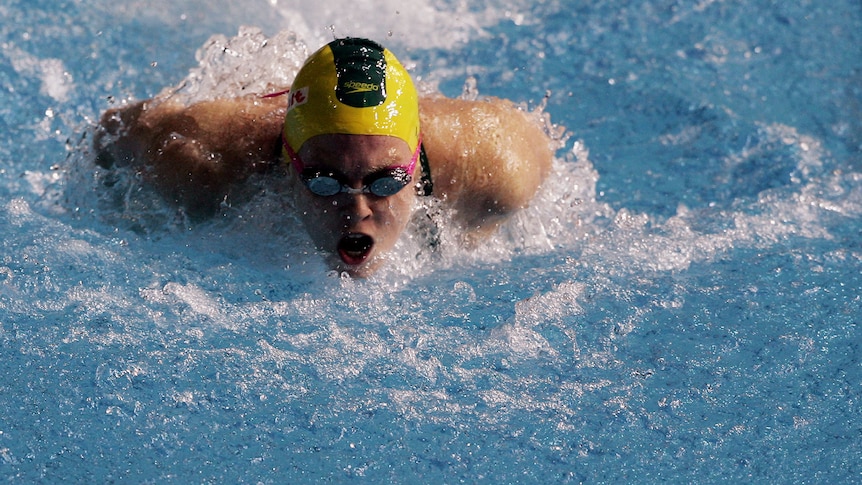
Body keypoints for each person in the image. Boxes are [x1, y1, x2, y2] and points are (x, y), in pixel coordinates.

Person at [95, 37, 555, 277]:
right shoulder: (200, 161)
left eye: (386, 181)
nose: (356, 211)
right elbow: (109, 135)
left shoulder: (497, 168)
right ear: (289, 164)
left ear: (414, 164)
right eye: (324, 181)